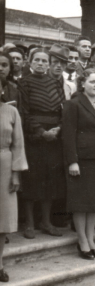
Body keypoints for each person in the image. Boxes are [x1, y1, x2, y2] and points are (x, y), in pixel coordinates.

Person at [62, 68, 95, 260]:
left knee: (94, 203)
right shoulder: (73, 104)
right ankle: (82, 240)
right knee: (81, 203)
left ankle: (91, 239)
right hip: (82, 160)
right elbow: (68, 136)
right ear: (83, 83)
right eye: (92, 81)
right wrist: (72, 162)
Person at [18, 48, 66, 239]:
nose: (41, 63)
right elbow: (25, 112)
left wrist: (58, 129)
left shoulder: (55, 83)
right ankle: (29, 223)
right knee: (32, 180)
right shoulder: (24, 83)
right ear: (30, 62)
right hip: (35, 139)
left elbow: (64, 110)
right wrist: (41, 132)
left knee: (51, 180)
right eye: (37, 60)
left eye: (44, 61)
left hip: (54, 138)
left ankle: (46, 221)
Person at [0, 74, 28, 284]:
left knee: (3, 220)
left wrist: (16, 172)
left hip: (5, 168)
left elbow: (18, 144)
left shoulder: (11, 111)